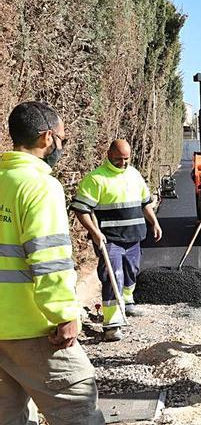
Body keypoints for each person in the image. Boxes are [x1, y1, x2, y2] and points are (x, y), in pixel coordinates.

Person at [0, 101, 110, 425]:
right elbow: (48, 258)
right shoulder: (39, 186)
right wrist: (64, 314)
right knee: (79, 412)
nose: (62, 145)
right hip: (35, 330)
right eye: (62, 138)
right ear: (48, 138)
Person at [71, 139, 162, 342]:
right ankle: (112, 325)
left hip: (134, 236)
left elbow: (145, 203)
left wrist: (154, 222)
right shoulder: (96, 179)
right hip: (109, 239)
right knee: (113, 277)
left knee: (132, 270)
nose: (123, 163)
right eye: (118, 159)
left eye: (126, 159)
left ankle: (127, 302)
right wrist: (94, 232)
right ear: (109, 154)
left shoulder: (134, 175)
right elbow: (81, 209)